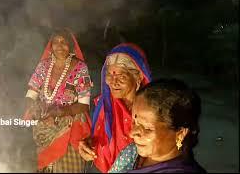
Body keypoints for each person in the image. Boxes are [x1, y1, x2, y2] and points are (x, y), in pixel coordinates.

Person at [23, 28, 93, 172]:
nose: (60, 46)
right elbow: (31, 95)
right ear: (51, 46)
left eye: (64, 42)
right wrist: (36, 110)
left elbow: (84, 105)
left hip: (70, 126)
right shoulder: (44, 66)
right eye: (56, 42)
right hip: (44, 126)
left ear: (71, 46)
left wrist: (59, 112)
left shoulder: (80, 67)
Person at [78, 43, 152, 173]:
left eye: (121, 76)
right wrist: (88, 144)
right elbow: (98, 136)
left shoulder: (152, 109)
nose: (113, 82)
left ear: (139, 76)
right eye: (110, 75)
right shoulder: (104, 104)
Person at [128, 78, 207, 173]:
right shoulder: (133, 152)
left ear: (180, 133)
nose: (131, 133)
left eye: (147, 128)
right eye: (134, 122)